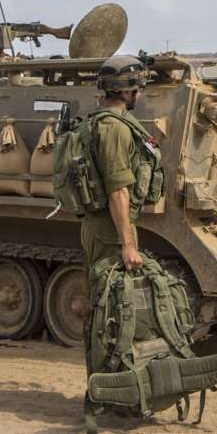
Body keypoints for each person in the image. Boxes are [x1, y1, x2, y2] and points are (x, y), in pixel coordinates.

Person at [79, 55, 152, 293]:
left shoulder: (109, 123)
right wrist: (128, 244)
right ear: (127, 92)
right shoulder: (115, 129)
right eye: (138, 89)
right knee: (111, 302)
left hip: (107, 226)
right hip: (109, 230)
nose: (139, 95)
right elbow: (117, 190)